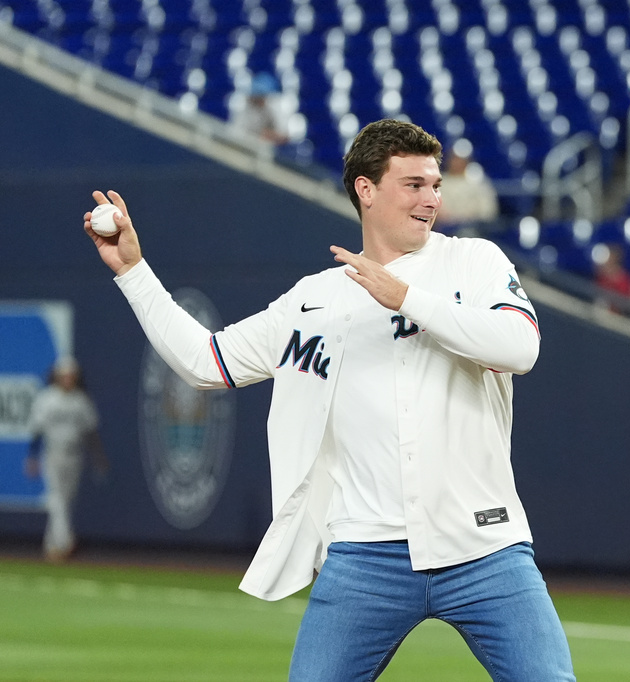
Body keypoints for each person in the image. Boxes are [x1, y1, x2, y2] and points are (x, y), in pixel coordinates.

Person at [82, 119, 575, 681]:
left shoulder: (474, 262)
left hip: (484, 547)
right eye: (413, 184)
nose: (432, 199)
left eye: (435, 185)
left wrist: (408, 298)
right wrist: (133, 273)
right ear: (366, 190)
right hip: (367, 555)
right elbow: (205, 362)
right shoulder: (314, 300)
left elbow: (520, 347)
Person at [24, 356, 108, 563]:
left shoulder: (81, 401)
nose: (68, 379)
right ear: (57, 377)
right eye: (64, 376)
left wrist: (98, 458)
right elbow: (36, 430)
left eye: (71, 376)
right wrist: (32, 456)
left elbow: (91, 432)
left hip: (75, 455)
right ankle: (65, 540)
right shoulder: (47, 399)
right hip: (52, 454)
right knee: (57, 499)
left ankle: (52, 547)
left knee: (66, 501)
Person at [434, 138, 499, 234]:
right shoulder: (438, 181)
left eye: (461, 159)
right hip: (445, 230)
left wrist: (469, 218)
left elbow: (488, 210)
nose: (457, 162)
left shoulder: (478, 182)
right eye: (454, 158)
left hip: (475, 229)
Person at [229, 72, 289, 145]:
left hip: (273, 149)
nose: (257, 99)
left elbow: (285, 135)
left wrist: (269, 135)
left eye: (261, 96)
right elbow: (236, 134)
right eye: (256, 95)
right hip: (248, 147)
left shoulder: (276, 105)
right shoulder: (245, 106)